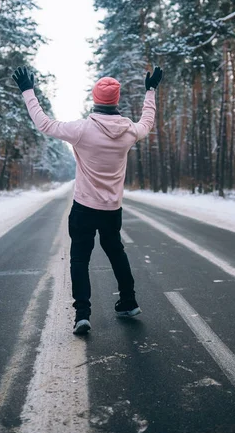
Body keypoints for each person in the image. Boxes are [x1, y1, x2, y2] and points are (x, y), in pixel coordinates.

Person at [12, 66, 163, 334]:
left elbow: (44, 124)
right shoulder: (128, 131)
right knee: (116, 252)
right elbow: (147, 121)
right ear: (116, 101)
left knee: (79, 259)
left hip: (84, 208)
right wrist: (150, 91)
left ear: (96, 99)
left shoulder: (82, 130)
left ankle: (83, 315)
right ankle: (128, 301)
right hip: (112, 209)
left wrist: (27, 91)